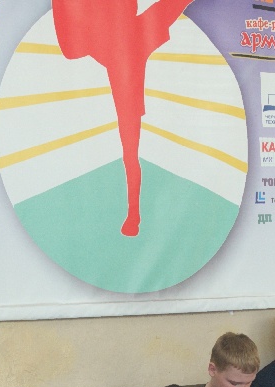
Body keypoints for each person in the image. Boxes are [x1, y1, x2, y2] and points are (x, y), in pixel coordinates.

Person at [51, 0, 193, 236]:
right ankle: (133, 214)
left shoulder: (128, 35)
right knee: (130, 152)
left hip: (123, 61)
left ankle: (133, 214)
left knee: (130, 152)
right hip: (119, 54)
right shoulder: (119, 35)